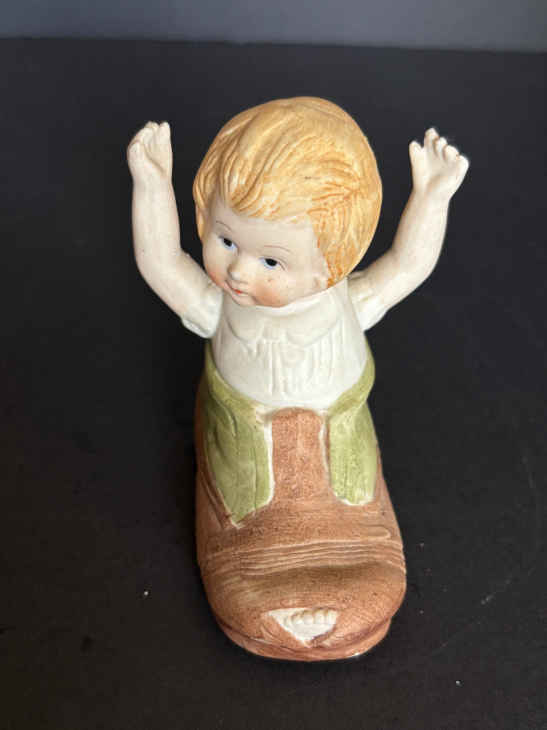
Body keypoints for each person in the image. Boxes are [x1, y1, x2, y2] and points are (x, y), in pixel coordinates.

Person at [127, 97, 469, 660]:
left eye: (271, 261)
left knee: (349, 473)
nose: (239, 271)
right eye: (226, 240)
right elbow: (161, 262)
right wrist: (152, 183)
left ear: (332, 262)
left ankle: (351, 517)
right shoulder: (222, 309)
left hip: (337, 450)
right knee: (245, 481)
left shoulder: (344, 303)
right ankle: (244, 519)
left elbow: (406, 266)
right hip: (250, 454)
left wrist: (433, 197)